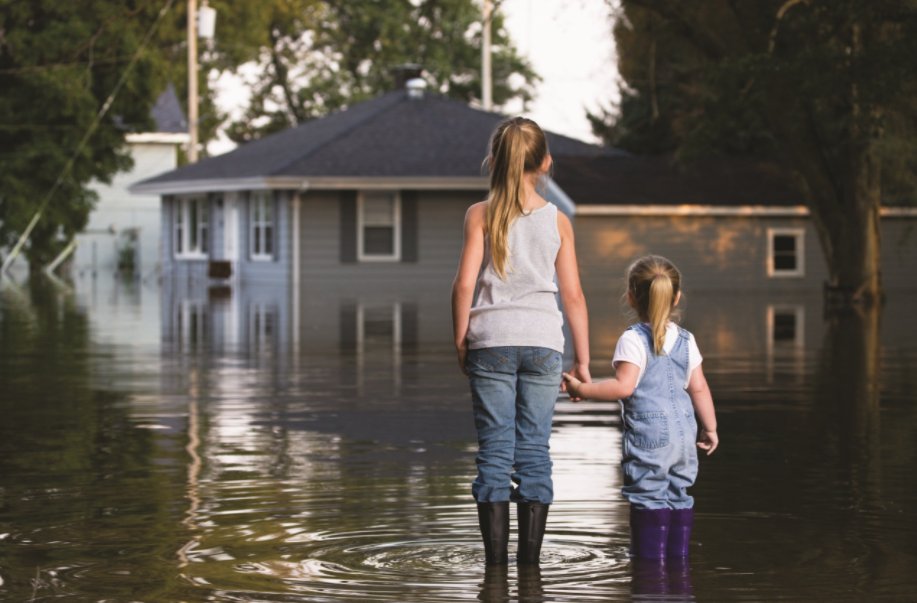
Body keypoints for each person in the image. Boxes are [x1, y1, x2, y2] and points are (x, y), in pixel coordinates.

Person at [451, 116, 591, 566]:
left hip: (490, 340)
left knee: (495, 451)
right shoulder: (559, 221)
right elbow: (573, 295)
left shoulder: (480, 214)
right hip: (544, 343)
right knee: (533, 450)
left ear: (493, 161)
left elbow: (464, 285)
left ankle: (494, 570)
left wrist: (461, 340)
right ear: (545, 163)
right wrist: (583, 362)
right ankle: (530, 570)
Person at [563, 255, 718, 560]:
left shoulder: (632, 339)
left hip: (651, 436)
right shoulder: (686, 340)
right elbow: (699, 387)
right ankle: (678, 568)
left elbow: (624, 387)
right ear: (676, 297)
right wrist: (710, 427)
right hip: (685, 436)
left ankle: (649, 573)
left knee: (649, 496)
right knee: (678, 494)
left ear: (631, 296)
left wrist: (582, 389)